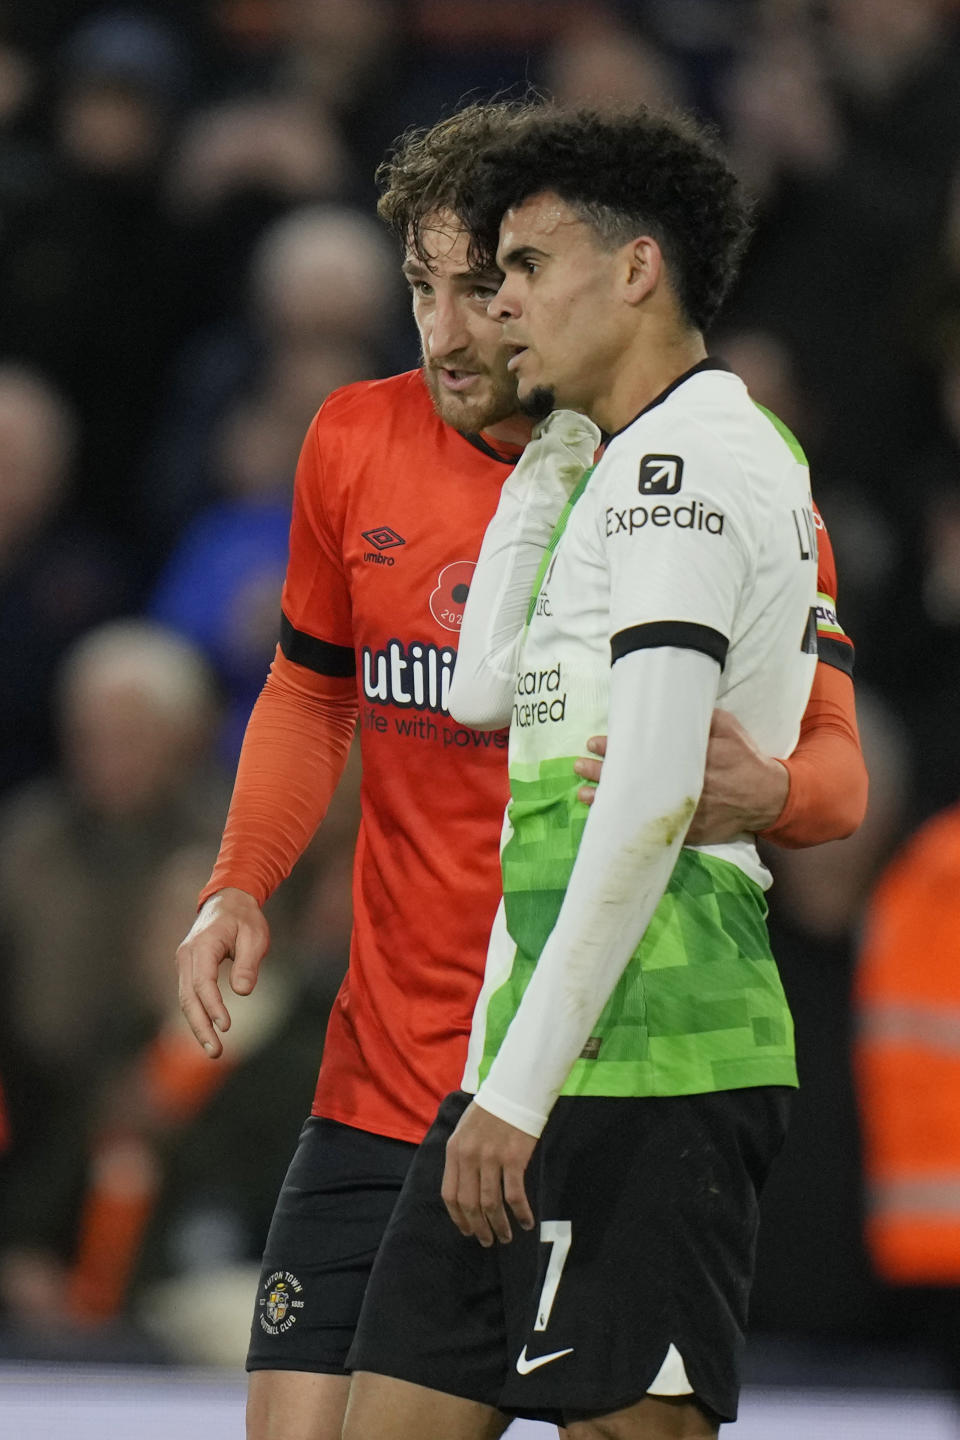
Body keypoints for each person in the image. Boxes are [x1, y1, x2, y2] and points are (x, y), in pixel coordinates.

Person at [175, 102, 866, 1440]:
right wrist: (239, 883)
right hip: (391, 1086)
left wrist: (765, 793)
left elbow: (830, 772)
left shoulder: (689, 472)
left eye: (488, 284)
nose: (446, 330)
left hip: (603, 1062)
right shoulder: (361, 445)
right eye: (420, 288)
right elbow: (315, 688)